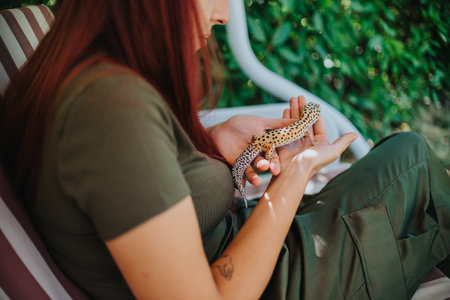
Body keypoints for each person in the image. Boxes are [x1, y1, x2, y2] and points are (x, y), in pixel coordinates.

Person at [0, 0, 448, 299]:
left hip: (245, 246)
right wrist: (296, 173)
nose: (224, 15)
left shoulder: (77, 70)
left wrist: (214, 143)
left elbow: (138, 182)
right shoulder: (112, 115)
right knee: (410, 159)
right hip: (271, 282)